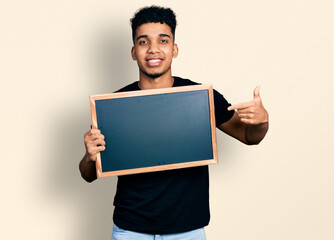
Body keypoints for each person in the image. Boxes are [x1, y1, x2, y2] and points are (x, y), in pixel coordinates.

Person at [79, 6, 269, 240]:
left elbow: (250, 136)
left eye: (163, 40)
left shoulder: (201, 98)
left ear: (174, 49)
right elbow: (88, 174)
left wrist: (262, 121)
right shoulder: (113, 105)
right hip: (130, 229)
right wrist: (89, 156)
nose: (153, 49)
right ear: (133, 51)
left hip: (187, 230)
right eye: (143, 42)